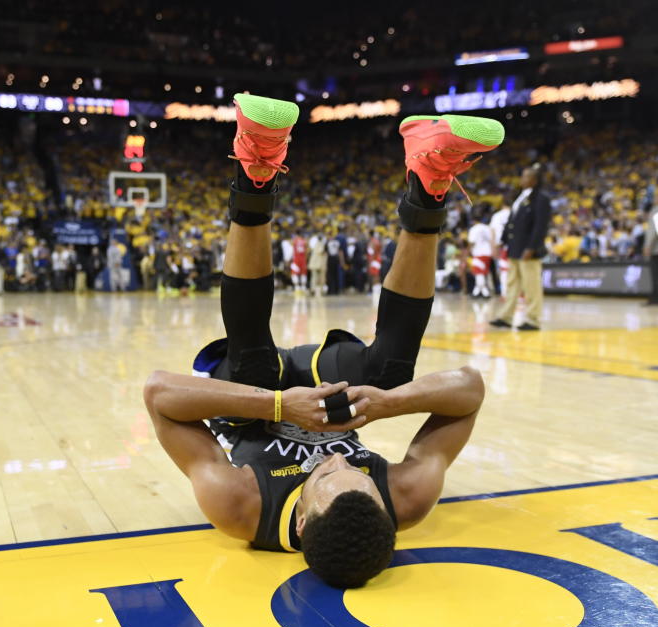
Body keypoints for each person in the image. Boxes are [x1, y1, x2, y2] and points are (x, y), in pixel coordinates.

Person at [145, 96, 500, 588]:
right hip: (329, 381)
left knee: (253, 372)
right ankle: (429, 179)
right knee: (391, 374)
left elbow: (160, 395)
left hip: (254, 392)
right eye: (358, 473)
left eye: (326, 477)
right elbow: (469, 390)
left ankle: (256, 167)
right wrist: (387, 404)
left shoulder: (241, 507)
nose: (336, 458)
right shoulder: (406, 497)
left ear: (303, 521)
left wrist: (277, 407)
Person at [490, 164, 551, 331]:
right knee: (511, 284)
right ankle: (506, 316)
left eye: (525, 176)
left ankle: (533, 319)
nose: (521, 179)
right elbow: (512, 222)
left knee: (531, 286)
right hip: (514, 248)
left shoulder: (541, 199)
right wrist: (502, 241)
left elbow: (540, 226)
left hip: (528, 251)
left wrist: (531, 247)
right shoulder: (520, 196)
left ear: (534, 180)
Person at [468, 211, 494, 298]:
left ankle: (484, 293)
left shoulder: (473, 229)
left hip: (478, 253)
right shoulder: (487, 228)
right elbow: (491, 239)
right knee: (483, 273)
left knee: (479, 273)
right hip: (487, 253)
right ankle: (477, 291)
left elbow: (472, 242)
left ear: (473, 220)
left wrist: (469, 251)